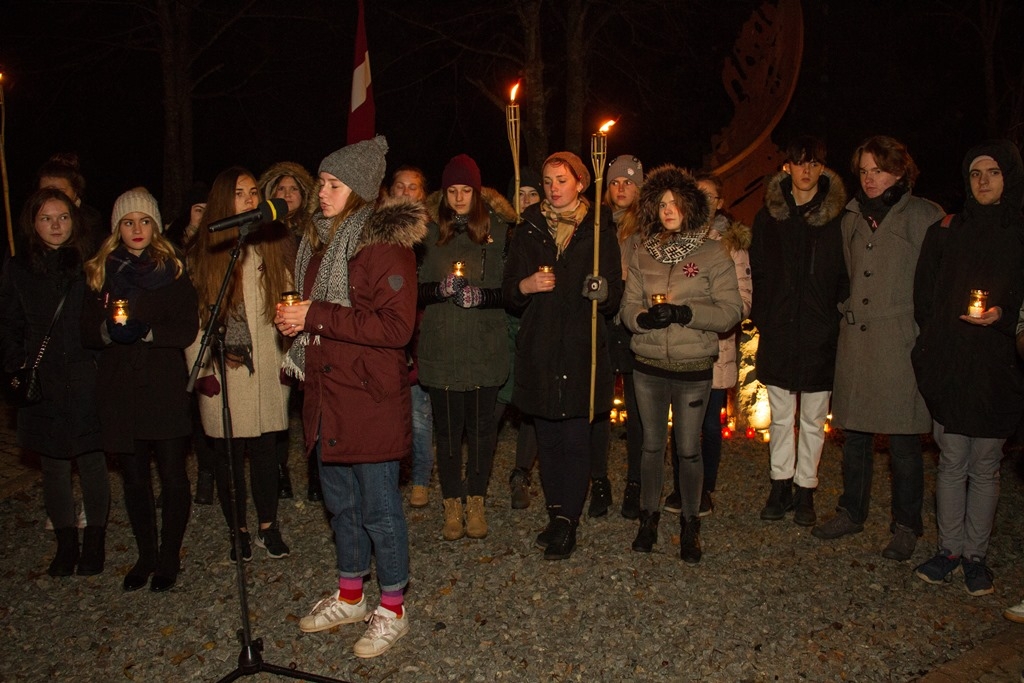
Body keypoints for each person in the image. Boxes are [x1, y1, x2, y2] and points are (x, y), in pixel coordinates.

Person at [276, 136, 426, 658]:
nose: (321, 192)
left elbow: (395, 327)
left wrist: (312, 314)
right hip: (325, 392)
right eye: (320, 182)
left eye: (333, 185)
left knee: (379, 510)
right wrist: (295, 319)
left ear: (359, 190)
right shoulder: (319, 242)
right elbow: (317, 311)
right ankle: (350, 594)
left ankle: (392, 607)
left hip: (367, 395)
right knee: (340, 504)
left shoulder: (384, 245)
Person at [813, 135, 945, 561]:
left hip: (900, 338)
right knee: (855, 435)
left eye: (879, 170)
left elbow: (936, 280)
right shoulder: (851, 216)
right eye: (865, 171)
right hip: (857, 338)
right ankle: (851, 512)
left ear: (900, 172)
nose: (870, 179)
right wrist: (845, 307)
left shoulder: (925, 215)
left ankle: (906, 525)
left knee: (904, 438)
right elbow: (847, 273)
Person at [911, 140, 1024, 595]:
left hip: (998, 365)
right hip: (953, 361)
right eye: (975, 174)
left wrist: (1004, 314)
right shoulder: (946, 229)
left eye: (993, 173)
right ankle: (949, 550)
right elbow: (925, 294)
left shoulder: (1020, 232)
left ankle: (977, 555)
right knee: (953, 459)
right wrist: (935, 343)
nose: (983, 182)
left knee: (986, 464)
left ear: (1009, 177)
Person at [502, 151, 623, 560]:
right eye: (549, 181)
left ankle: (568, 521)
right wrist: (527, 285)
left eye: (562, 180)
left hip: (581, 349)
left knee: (575, 437)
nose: (553, 188)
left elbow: (614, 293)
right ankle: (556, 515)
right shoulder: (530, 227)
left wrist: (600, 290)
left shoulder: (598, 228)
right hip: (540, 347)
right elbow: (508, 292)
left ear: (581, 183)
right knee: (548, 438)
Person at [620, 165, 742, 562]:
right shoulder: (643, 250)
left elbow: (730, 310)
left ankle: (691, 522)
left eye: (675, 203)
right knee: (652, 446)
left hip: (692, 366)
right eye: (662, 203)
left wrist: (686, 314)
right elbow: (628, 307)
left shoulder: (712, 252)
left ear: (689, 206)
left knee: (689, 448)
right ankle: (649, 518)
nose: (668, 210)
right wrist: (643, 320)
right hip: (650, 363)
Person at [81, 188, 199, 592]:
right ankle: (145, 555)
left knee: (172, 474)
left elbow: (187, 328)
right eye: (128, 222)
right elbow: (85, 329)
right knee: (133, 477)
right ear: (117, 228)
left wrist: (148, 333)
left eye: (144, 221)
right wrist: (107, 332)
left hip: (163, 384)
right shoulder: (101, 270)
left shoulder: (174, 270)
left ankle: (169, 557)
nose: (136, 229)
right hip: (119, 387)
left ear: (156, 227)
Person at [186, 166, 296, 562]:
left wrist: (288, 356)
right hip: (225, 371)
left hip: (265, 366)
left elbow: (287, 300)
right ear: (223, 201)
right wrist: (205, 368)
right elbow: (193, 320)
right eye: (240, 193)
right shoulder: (207, 254)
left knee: (267, 450)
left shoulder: (272, 245)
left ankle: (269, 525)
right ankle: (239, 530)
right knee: (229, 456)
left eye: (254, 192)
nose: (250, 200)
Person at [0, 188, 109, 577]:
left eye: (62, 217)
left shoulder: (89, 264)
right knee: (54, 466)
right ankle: (66, 542)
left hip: (83, 376)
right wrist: (17, 365)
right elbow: (9, 322)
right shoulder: (18, 268)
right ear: (33, 223)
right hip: (43, 378)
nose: (55, 225)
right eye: (46, 218)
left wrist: (100, 367)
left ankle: (95, 540)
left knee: (93, 460)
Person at [747, 137, 847, 527]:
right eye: (799, 163)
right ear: (787, 167)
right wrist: (766, 315)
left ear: (823, 168)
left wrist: (833, 314)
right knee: (781, 415)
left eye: (813, 163)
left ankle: (807, 488)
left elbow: (845, 273)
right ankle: (780, 484)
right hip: (780, 327)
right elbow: (759, 269)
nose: (806, 171)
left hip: (820, 330)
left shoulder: (838, 215)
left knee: (813, 417)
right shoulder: (770, 215)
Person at [417, 154, 513, 540]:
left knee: (481, 429)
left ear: (477, 192)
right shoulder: (427, 232)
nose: (459, 198)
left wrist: (482, 297)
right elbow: (414, 291)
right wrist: (438, 290)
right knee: (447, 430)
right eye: (452, 191)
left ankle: (476, 501)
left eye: (466, 190)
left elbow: (511, 290)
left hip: (483, 345)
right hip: (442, 345)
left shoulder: (501, 230)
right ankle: (451, 505)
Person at [691, 170, 753, 518]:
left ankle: (705, 487)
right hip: (683, 346)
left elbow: (743, 299)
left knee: (710, 424)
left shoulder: (732, 244)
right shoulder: (676, 238)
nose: (703, 202)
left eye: (709, 196)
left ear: (720, 202)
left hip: (715, 347)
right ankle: (684, 483)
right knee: (684, 422)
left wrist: (711, 313)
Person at [258, 161, 318, 501]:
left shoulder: (313, 230)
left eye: (292, 189)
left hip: (308, 320)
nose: (286, 195)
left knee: (310, 400)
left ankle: (315, 474)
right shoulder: (263, 231)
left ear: (303, 195)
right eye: (280, 190)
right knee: (277, 402)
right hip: (273, 323)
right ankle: (278, 470)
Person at [163, 182, 216, 505]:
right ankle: (175, 477)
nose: (203, 216)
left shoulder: (218, 243)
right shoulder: (170, 247)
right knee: (178, 410)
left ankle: (207, 474)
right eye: (198, 209)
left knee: (204, 411)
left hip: (204, 334)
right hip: (175, 337)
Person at [388, 165, 433, 508]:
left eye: (413, 187)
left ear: (423, 194)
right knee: (387, 415)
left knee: (419, 413)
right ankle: (390, 477)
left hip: (420, 332)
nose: (405, 192)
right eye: (400, 186)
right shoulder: (378, 233)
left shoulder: (430, 235)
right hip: (387, 333)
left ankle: (420, 478)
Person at [604, 155, 645, 519]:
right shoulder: (597, 222)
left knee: (638, 412)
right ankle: (598, 481)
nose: (621, 189)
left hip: (632, 325)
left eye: (628, 183)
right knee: (599, 405)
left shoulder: (646, 227)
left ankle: (636, 483)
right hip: (602, 323)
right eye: (615, 182)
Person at [503, 167, 542, 511]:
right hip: (500, 324)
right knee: (498, 399)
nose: (527, 200)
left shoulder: (543, 233)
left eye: (533, 194)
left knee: (530, 402)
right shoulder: (500, 232)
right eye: (521, 194)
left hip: (531, 323)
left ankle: (521, 472)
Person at [36, 153, 105, 253]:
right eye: (46, 192)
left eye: (60, 191)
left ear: (76, 192)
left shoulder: (91, 226)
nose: (52, 197)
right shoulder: (29, 223)